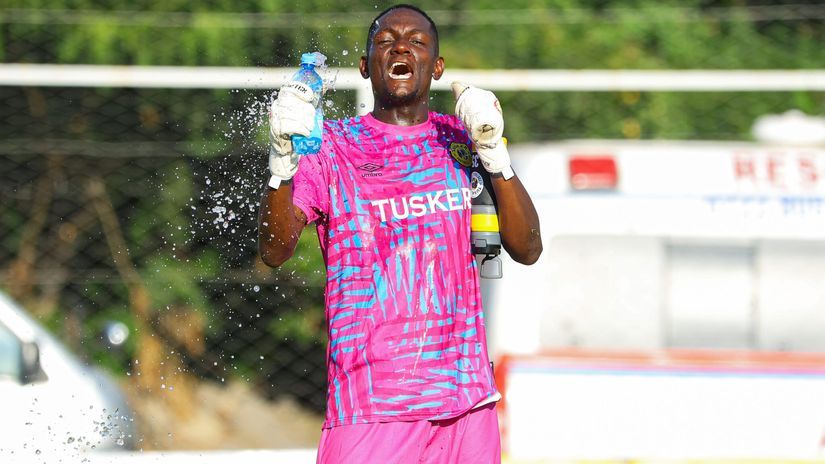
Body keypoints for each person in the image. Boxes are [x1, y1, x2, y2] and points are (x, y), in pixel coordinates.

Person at [259, 4, 541, 463]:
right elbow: (274, 250)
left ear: (437, 65)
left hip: (465, 401)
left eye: (416, 40)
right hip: (372, 405)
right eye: (386, 40)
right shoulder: (331, 147)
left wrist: (495, 154)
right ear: (365, 67)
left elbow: (527, 248)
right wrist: (280, 166)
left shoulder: (462, 141)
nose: (401, 46)